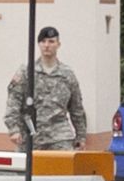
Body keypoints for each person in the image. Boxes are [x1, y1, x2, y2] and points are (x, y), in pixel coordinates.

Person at [6, 24, 86, 154]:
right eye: (43, 42)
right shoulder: (26, 71)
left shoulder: (67, 74)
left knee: (63, 170)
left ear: (58, 45)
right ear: (39, 44)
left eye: (51, 41)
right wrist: (13, 129)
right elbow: (13, 102)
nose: (47, 45)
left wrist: (81, 136)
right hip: (31, 135)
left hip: (59, 136)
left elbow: (76, 108)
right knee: (28, 172)